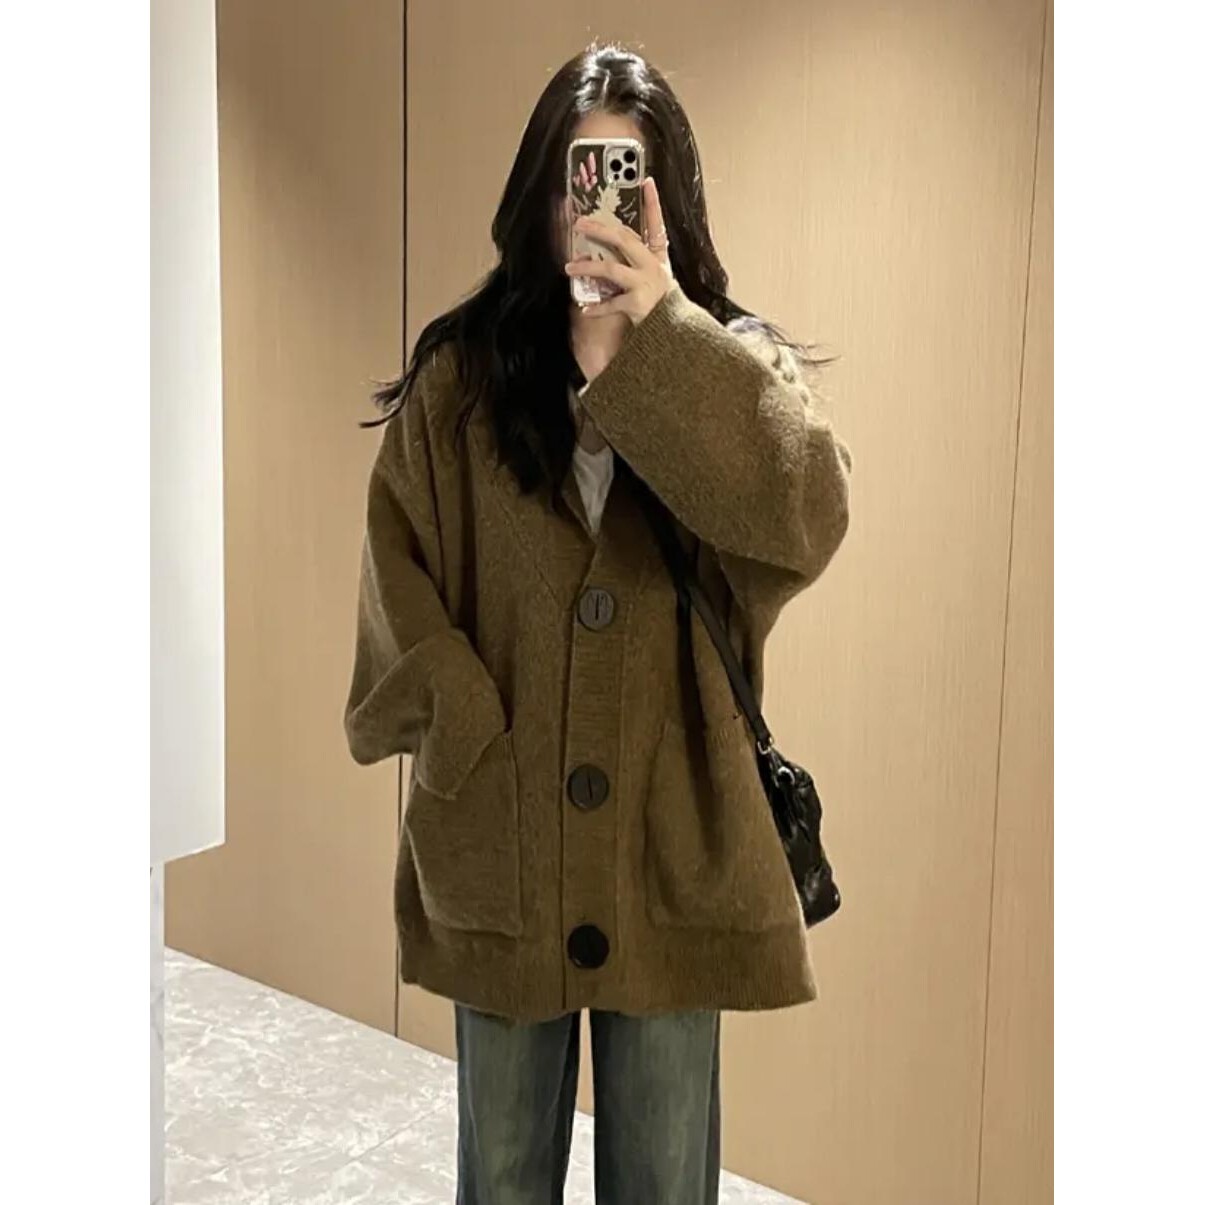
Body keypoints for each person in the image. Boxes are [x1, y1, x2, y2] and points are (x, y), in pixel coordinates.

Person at [344, 41, 853, 1205]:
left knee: (664, 1180)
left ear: (667, 204)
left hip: (672, 848)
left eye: (626, 181)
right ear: (540, 196)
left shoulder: (732, 367)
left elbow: (808, 514)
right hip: (504, 841)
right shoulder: (463, 382)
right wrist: (464, 726)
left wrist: (659, 337)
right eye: (580, 179)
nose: (598, 209)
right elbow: (393, 563)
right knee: (502, 1175)